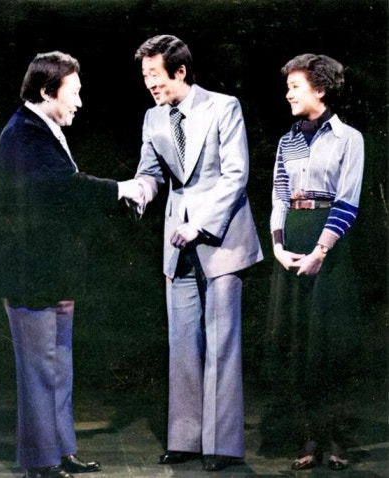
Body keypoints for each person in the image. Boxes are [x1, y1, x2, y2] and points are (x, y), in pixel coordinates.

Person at [0, 51, 142, 478]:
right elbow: (64, 187)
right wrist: (122, 189)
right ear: (46, 91)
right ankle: (40, 461)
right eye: (73, 93)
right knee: (40, 369)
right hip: (32, 274)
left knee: (59, 365)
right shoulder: (22, 133)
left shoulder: (44, 130)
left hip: (55, 272)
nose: (79, 102)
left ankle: (61, 451)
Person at [131, 34, 263, 472]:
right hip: (178, 243)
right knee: (183, 341)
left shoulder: (223, 107)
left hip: (221, 237)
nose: (150, 83)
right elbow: (150, 173)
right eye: (145, 76)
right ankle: (186, 439)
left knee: (221, 341)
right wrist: (139, 191)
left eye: (155, 74)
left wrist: (200, 224)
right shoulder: (153, 117)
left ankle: (221, 446)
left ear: (180, 70)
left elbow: (235, 175)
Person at [266, 53, 364, 471]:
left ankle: (337, 437)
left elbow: (348, 200)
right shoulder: (287, 141)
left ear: (320, 89)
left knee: (329, 342)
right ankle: (309, 435)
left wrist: (321, 251)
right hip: (293, 243)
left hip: (329, 247)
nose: (288, 94)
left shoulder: (348, 138)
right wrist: (277, 245)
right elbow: (278, 196)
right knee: (297, 342)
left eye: (295, 86)